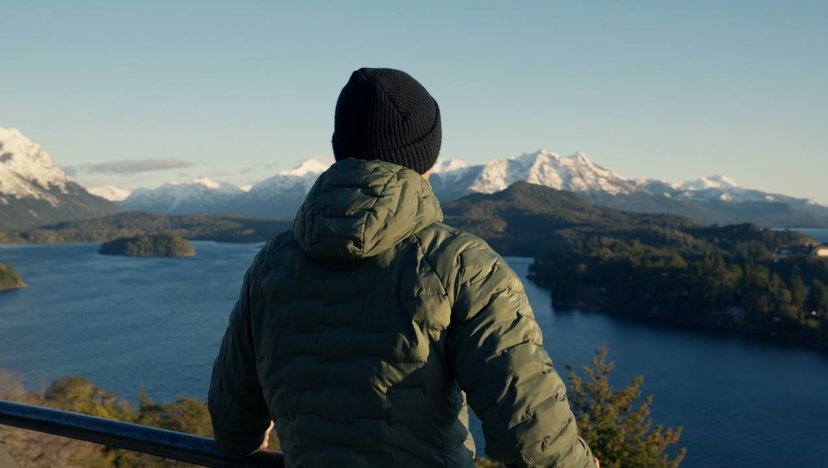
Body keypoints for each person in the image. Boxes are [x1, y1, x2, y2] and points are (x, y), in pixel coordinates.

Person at [208, 67, 597, 467]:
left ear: (339, 145)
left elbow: (232, 429)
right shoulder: (463, 265)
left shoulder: (272, 263)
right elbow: (531, 436)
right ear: (427, 153)